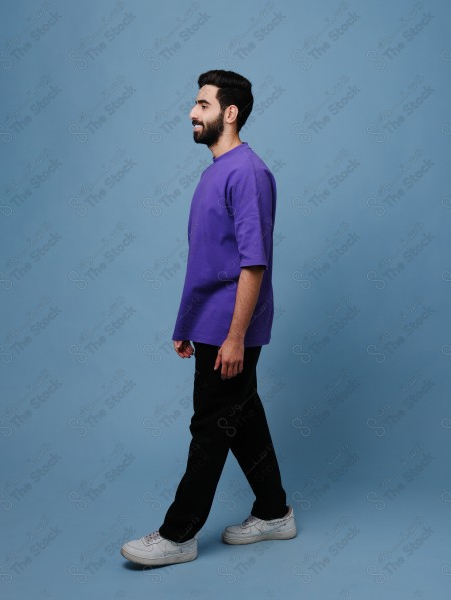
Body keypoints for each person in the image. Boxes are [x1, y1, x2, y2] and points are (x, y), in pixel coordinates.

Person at [121, 69, 296, 567]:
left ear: (230, 113)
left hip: (229, 329)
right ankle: (274, 511)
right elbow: (205, 261)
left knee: (211, 425)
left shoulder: (249, 172)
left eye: (202, 104)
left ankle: (179, 534)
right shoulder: (214, 172)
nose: (192, 113)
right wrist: (186, 323)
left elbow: (252, 262)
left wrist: (235, 336)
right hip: (209, 325)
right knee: (241, 417)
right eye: (195, 105)